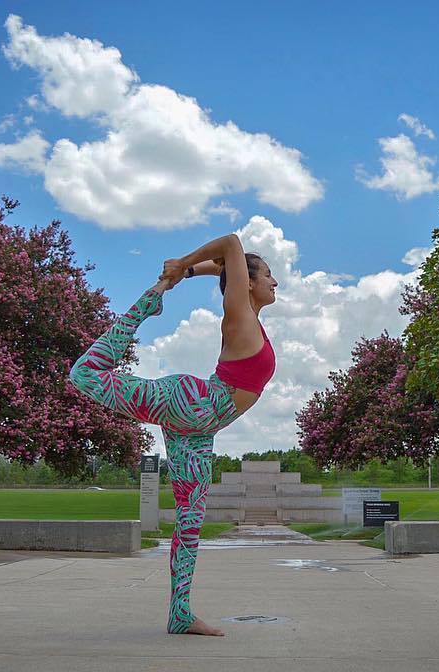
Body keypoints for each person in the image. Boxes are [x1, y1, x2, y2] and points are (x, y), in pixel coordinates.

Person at [69, 233, 278, 636]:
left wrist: (190, 270)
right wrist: (181, 264)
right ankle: (148, 304)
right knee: (86, 375)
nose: (275, 282)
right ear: (246, 281)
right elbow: (231, 245)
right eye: (268, 275)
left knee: (191, 518)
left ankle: (180, 612)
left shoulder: (250, 312)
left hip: (200, 430)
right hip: (188, 402)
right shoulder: (238, 310)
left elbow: (223, 263)